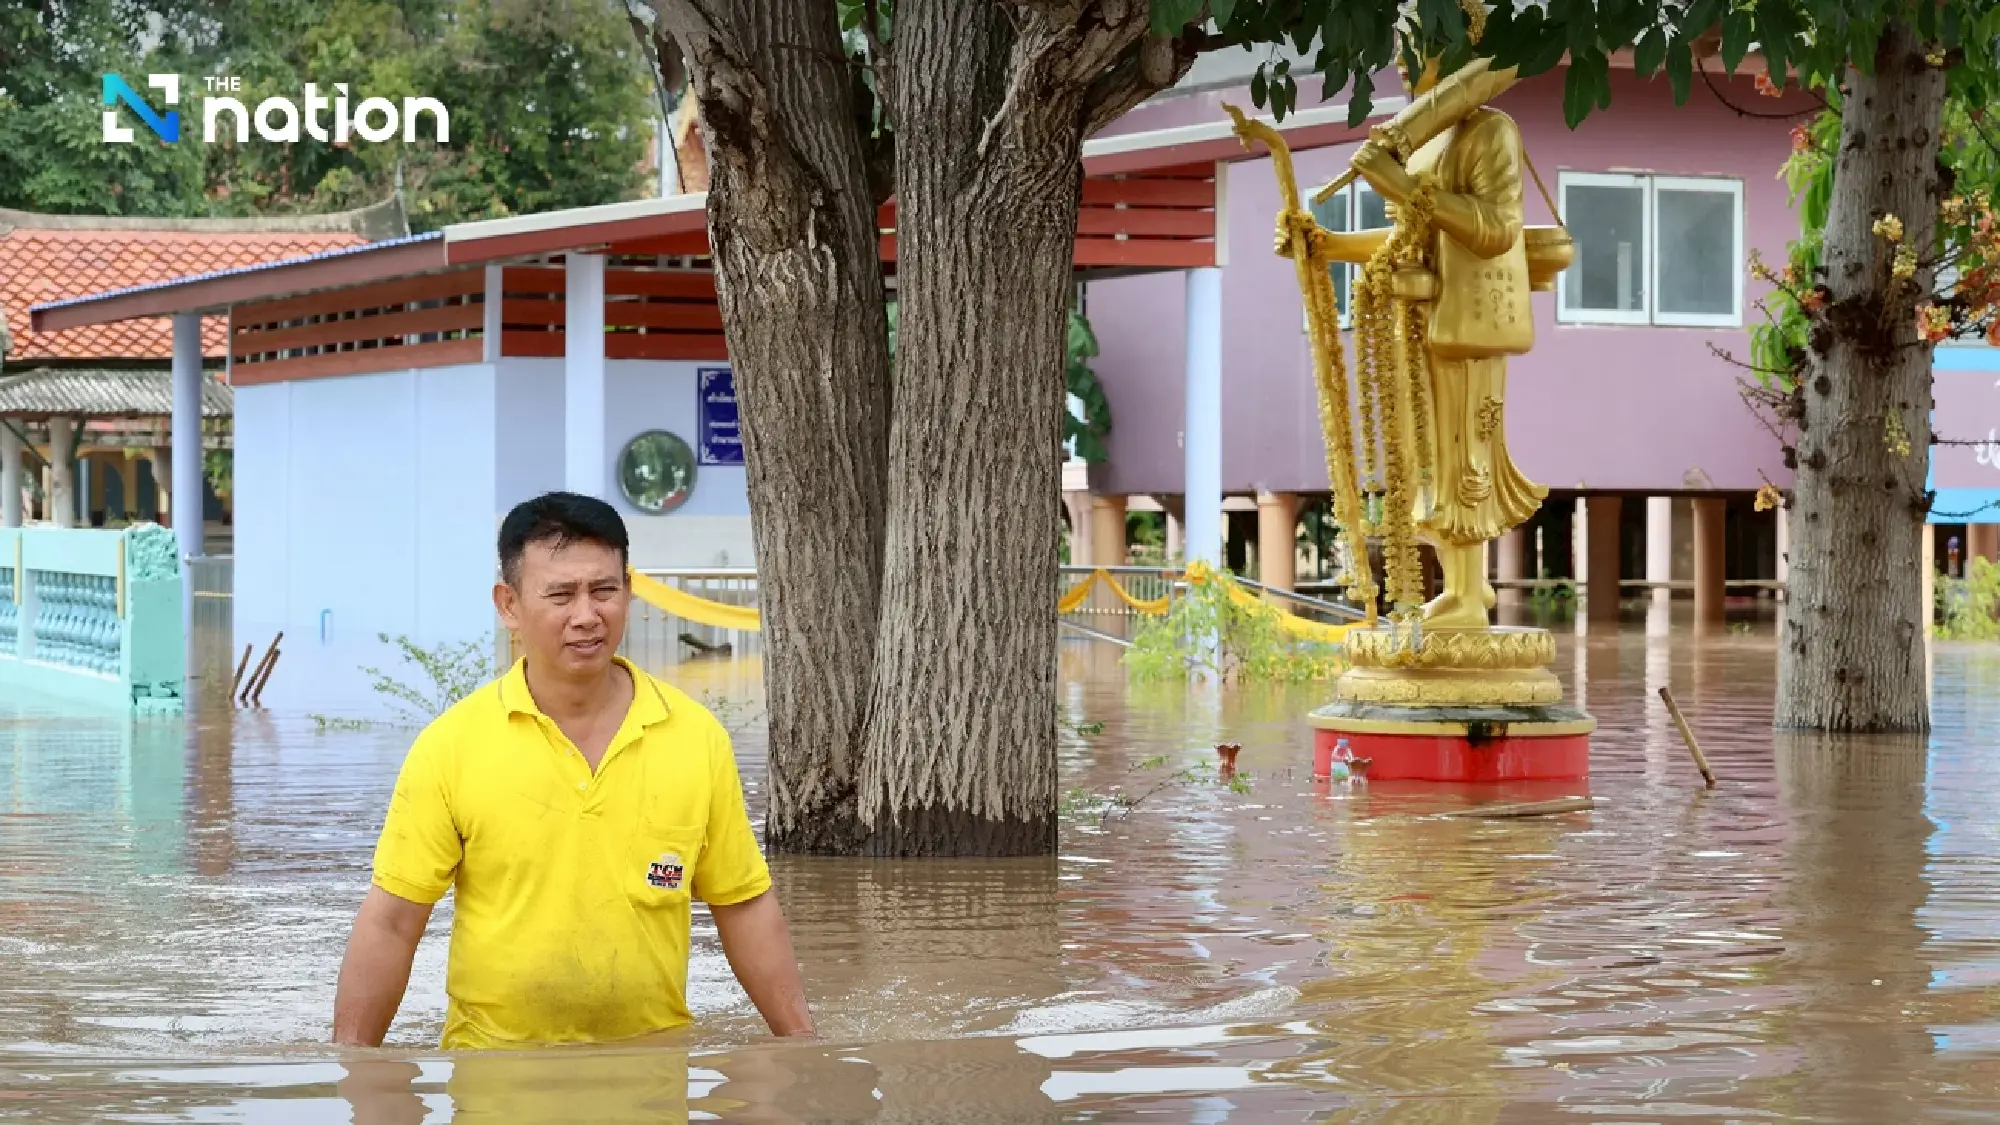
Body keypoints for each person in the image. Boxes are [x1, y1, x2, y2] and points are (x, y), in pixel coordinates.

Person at [332, 491, 814, 1049]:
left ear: (628, 591)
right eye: (560, 595)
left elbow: (743, 904)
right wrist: (353, 1070)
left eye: (604, 590)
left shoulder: (695, 737)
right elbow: (393, 921)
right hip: (495, 1069)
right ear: (509, 605)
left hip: (651, 1065)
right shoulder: (451, 746)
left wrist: (803, 1047)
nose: (586, 616)